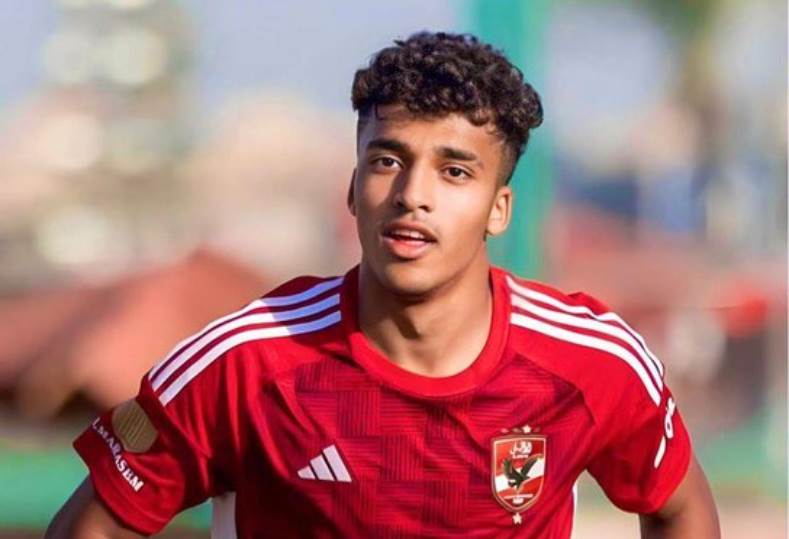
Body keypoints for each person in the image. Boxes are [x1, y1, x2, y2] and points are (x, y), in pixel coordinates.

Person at [46, 31, 720, 538]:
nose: (411, 195)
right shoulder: (244, 361)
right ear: (352, 187)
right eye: (387, 160)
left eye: (454, 171)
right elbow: (94, 525)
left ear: (498, 209)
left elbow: (679, 506)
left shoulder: (590, 361)